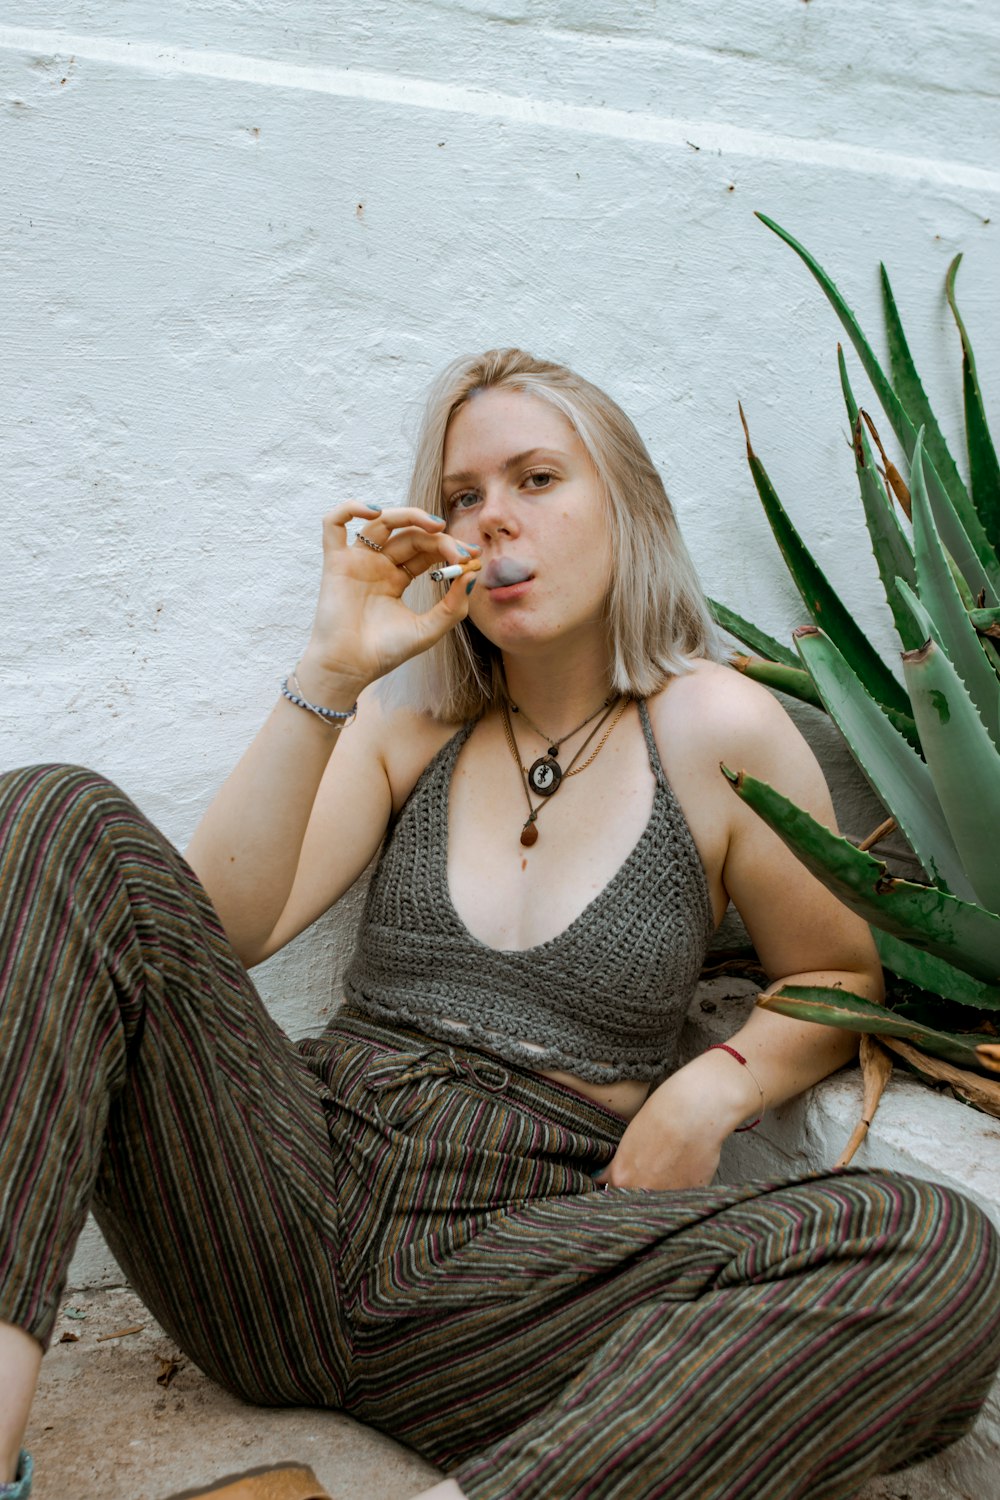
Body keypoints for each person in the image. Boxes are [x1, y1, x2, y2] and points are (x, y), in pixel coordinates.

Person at [1, 348, 999, 1500]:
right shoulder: (410, 723)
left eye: (535, 479)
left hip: (511, 1272)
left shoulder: (718, 726)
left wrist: (710, 1086)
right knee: (54, 812)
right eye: (464, 495)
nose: (491, 521)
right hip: (280, 1203)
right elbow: (217, 931)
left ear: (626, 507)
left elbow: (834, 972)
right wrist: (331, 667)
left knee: (935, 1251)